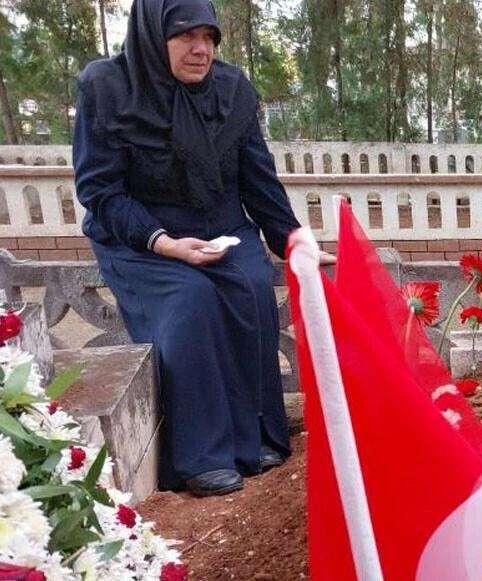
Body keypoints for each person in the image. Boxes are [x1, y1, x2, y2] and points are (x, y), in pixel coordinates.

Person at [73, 0, 323, 496]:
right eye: (186, 36)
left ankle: (255, 437)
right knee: (191, 301)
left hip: (221, 221)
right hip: (140, 233)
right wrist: (164, 244)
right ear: (151, 36)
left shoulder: (232, 90)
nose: (201, 49)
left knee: (251, 287)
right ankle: (201, 455)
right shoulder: (107, 86)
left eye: (209, 37)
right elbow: (100, 191)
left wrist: (293, 239)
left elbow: (258, 179)